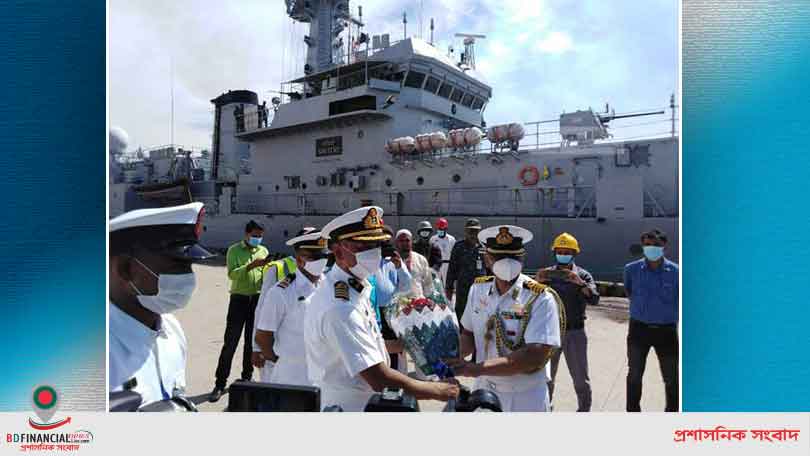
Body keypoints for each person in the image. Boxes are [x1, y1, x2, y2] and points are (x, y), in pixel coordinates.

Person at [303, 206, 459, 411]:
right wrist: (439, 390)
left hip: (364, 402)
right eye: (363, 247)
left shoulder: (357, 287)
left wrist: (410, 344)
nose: (374, 253)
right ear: (339, 252)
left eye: (376, 244)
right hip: (348, 408)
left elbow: (368, 345)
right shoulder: (340, 307)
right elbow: (378, 378)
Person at [109, 202, 215, 410]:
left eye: (189, 265)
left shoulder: (171, 330)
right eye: (177, 264)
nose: (188, 277)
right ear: (125, 269)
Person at [447, 225, 563, 412]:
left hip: (525, 396)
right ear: (487, 259)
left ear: (523, 258)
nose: (507, 263)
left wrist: (475, 368)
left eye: (513, 257)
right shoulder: (478, 290)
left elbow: (534, 356)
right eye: (500, 257)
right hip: (484, 390)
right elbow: (468, 334)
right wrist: (452, 356)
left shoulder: (540, 297)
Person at [254, 228, 328, 386]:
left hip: (324, 375)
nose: (321, 261)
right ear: (300, 259)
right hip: (293, 378)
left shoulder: (329, 285)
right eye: (315, 257)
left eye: (323, 256)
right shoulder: (281, 293)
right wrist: (281, 360)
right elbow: (262, 336)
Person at [209, 220, 271, 402]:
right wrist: (251, 266)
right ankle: (220, 384)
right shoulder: (234, 251)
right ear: (246, 234)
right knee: (231, 342)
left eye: (260, 236)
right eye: (255, 235)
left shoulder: (263, 251)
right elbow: (232, 274)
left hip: (257, 300)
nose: (258, 239)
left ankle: (246, 378)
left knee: (251, 343)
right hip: (239, 300)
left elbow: (266, 275)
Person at [536, 232, 598, 412]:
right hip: (550, 332)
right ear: (554, 252)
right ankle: (545, 408)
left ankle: (584, 410)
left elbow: (594, 299)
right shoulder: (547, 273)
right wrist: (537, 282)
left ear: (574, 253)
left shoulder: (583, 275)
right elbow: (529, 300)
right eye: (560, 251)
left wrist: (579, 283)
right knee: (546, 377)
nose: (563, 254)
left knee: (580, 378)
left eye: (567, 251)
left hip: (575, 332)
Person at [624, 229, 679, 412]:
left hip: (667, 331)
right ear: (643, 246)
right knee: (634, 375)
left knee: (671, 377)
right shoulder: (631, 270)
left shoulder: (676, 272)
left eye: (656, 245)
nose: (651, 248)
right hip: (639, 330)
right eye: (647, 245)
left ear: (664, 246)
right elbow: (629, 292)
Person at [251, 239, 299, 382]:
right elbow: (261, 309)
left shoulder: (320, 276)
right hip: (273, 345)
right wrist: (256, 349)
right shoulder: (277, 268)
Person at [369, 225, 412, 373]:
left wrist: (400, 266)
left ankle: (393, 377)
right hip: (373, 311)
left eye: (388, 241)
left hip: (391, 311)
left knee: (394, 349)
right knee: (377, 346)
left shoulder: (394, 261)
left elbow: (406, 286)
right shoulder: (369, 261)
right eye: (382, 240)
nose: (385, 244)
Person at [445, 218, 486, 322]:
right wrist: (449, 288)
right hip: (463, 290)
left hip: (480, 290)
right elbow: (452, 269)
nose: (473, 234)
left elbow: (490, 269)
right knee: (462, 316)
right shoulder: (459, 247)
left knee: (480, 316)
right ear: (465, 232)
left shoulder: (484, 248)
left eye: (475, 231)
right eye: (470, 231)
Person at [394, 229, 434, 297]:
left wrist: (428, 299)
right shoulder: (391, 260)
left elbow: (428, 283)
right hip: (398, 303)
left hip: (418, 302)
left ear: (411, 242)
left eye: (407, 240)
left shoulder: (421, 259)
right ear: (396, 242)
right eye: (401, 241)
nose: (404, 243)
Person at [429, 218, 456, 288]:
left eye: (442, 229)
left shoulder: (451, 239)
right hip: (436, 265)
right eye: (439, 229)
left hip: (448, 264)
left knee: (447, 284)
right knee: (435, 284)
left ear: (446, 229)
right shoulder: (433, 239)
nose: (440, 231)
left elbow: (454, 254)